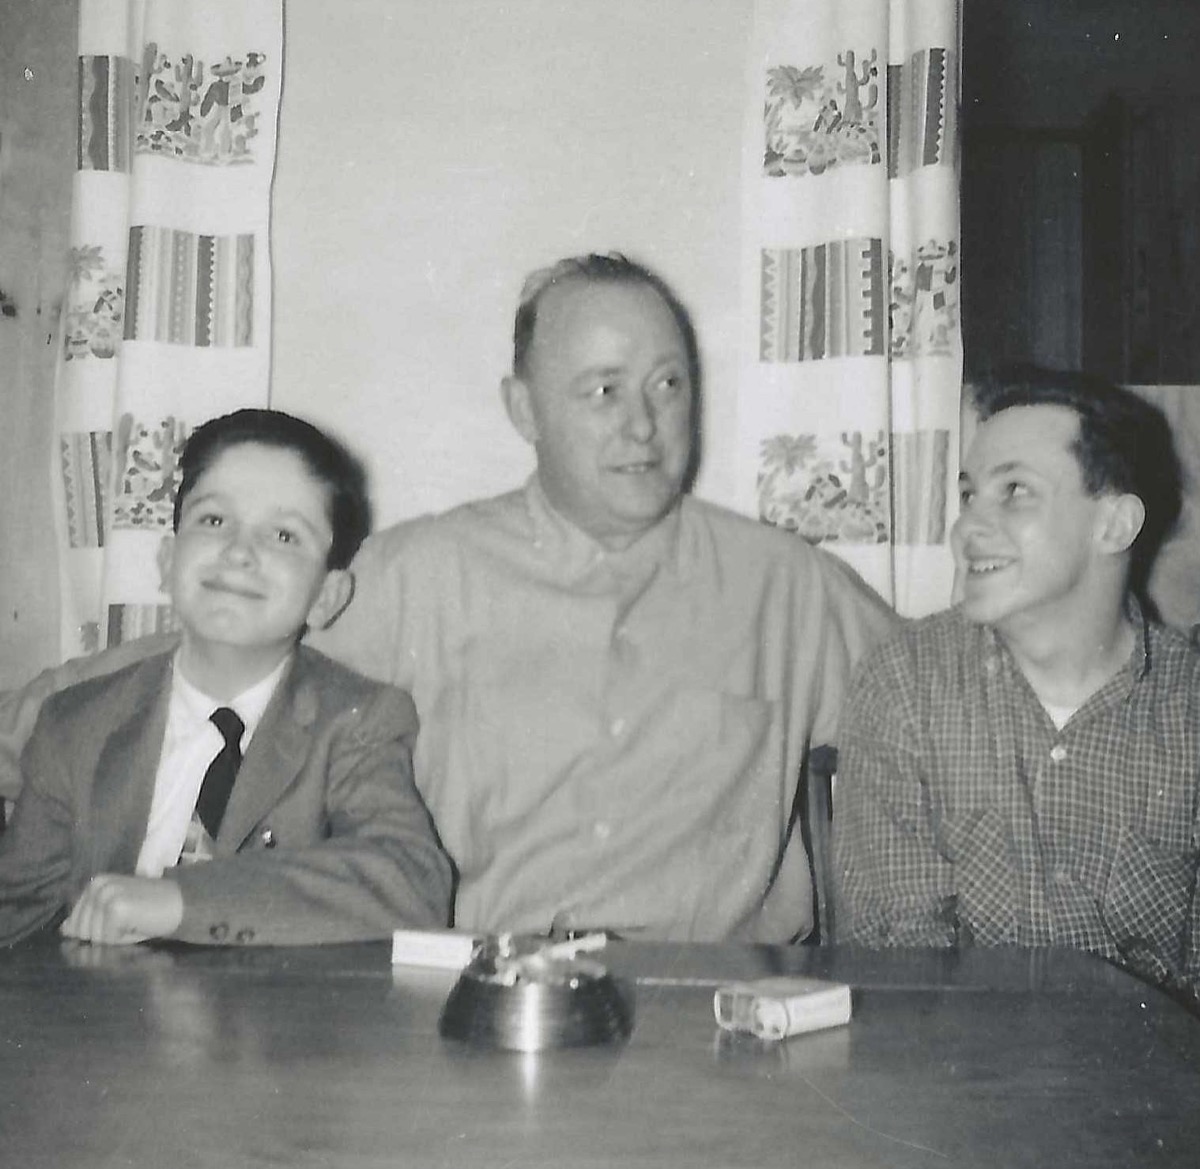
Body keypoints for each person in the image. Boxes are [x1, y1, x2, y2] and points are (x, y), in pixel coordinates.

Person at [307, 252, 894, 941]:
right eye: (605, 391)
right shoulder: (416, 575)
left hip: (706, 1010)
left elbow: (955, 703)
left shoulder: (788, 585)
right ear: (524, 409)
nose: (644, 424)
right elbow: (258, 727)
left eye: (668, 384)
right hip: (476, 1001)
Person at [0, 409, 452, 947]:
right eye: (214, 521)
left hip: (276, 1025)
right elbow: (16, 917)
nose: (240, 552)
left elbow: (410, 881)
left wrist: (183, 900)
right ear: (168, 560)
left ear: (327, 597)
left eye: (284, 535)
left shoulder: (357, 721)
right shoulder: (73, 723)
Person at [833, 368, 1200, 996]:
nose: (968, 528)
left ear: (1113, 525)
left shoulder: (1187, 709)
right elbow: (899, 970)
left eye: (1016, 492)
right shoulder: (904, 685)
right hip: (962, 1076)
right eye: (970, 495)